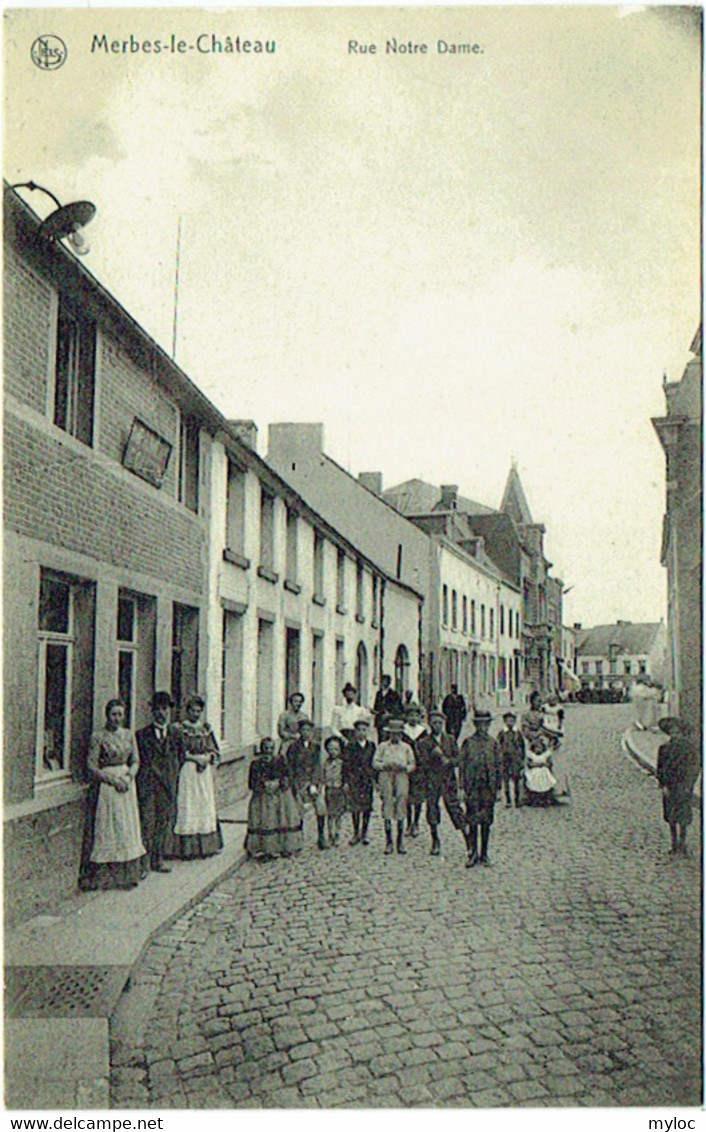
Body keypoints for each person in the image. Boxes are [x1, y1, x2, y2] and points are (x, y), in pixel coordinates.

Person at [79, 698, 148, 891]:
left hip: (126, 784)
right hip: (108, 787)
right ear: (107, 715)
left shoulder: (128, 735)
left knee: (127, 826)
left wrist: (129, 777)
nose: (116, 718)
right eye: (113, 714)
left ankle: (128, 874)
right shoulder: (98, 737)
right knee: (110, 825)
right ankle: (107, 876)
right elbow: (91, 766)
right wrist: (112, 780)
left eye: (120, 714)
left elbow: (136, 760)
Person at [171, 695, 223, 859]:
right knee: (188, 802)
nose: (195, 714)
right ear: (186, 711)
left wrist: (207, 758)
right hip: (188, 770)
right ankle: (187, 847)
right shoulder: (179, 729)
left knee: (204, 802)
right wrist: (195, 758)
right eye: (192, 711)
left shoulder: (206, 728)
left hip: (203, 772)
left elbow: (214, 749)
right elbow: (177, 752)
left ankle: (206, 846)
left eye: (198, 711)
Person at [136, 691, 181, 873]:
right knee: (147, 823)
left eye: (164, 709)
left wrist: (172, 778)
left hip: (167, 786)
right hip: (149, 785)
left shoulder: (176, 733)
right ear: (152, 711)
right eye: (158, 709)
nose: (161, 713)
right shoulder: (142, 735)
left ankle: (158, 860)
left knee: (163, 822)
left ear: (169, 711)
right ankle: (144, 863)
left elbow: (181, 757)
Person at [415, 709, 472, 856]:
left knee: (455, 809)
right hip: (432, 781)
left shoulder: (450, 740)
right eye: (434, 723)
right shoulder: (424, 743)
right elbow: (421, 763)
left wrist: (447, 760)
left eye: (440, 723)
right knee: (432, 811)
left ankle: (468, 840)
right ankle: (435, 841)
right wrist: (432, 757)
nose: (437, 726)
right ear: (429, 724)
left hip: (448, 780)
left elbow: (458, 759)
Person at [245, 737, 302, 859]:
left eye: (271, 748)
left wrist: (280, 782)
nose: (268, 751)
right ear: (261, 749)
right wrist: (263, 785)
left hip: (280, 795)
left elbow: (287, 775)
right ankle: (266, 849)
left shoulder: (280, 760)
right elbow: (251, 783)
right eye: (266, 748)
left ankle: (283, 847)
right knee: (266, 820)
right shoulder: (256, 764)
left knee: (282, 819)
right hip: (263, 797)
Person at [459, 710, 502, 867]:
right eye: (480, 724)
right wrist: (461, 788)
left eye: (485, 724)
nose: (483, 727)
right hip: (473, 787)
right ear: (475, 725)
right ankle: (473, 853)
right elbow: (462, 766)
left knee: (486, 821)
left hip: (487, 788)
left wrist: (498, 789)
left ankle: (484, 854)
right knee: (472, 821)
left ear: (489, 725)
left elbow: (498, 767)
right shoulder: (468, 743)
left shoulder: (493, 743)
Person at [656, 718, 700, 857]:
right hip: (670, 786)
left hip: (684, 786)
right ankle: (674, 843)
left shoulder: (689, 749)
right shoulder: (664, 748)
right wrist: (662, 785)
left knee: (684, 815)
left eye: (677, 732)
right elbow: (660, 768)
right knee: (671, 815)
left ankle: (683, 843)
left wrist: (689, 784)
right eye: (672, 732)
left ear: (682, 733)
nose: (675, 735)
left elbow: (694, 768)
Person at [372, 718, 415, 854]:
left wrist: (404, 767)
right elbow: (375, 762)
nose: (395, 736)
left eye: (398, 734)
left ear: (401, 734)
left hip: (401, 775)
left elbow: (412, 764)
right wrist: (384, 765)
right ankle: (388, 841)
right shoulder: (383, 746)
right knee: (387, 804)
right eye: (392, 734)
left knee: (401, 802)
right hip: (386, 775)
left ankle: (400, 841)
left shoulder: (406, 747)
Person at [287, 718, 328, 850]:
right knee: (299, 812)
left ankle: (321, 837)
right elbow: (291, 767)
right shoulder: (293, 747)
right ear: (299, 731)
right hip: (299, 782)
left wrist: (314, 783)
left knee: (320, 808)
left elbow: (317, 765)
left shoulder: (316, 747)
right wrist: (295, 784)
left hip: (312, 782)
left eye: (309, 730)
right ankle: (298, 839)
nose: (306, 733)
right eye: (304, 730)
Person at [343, 718, 377, 845]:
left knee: (367, 806)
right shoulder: (350, 746)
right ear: (355, 732)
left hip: (367, 779)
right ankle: (356, 832)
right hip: (355, 779)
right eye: (359, 730)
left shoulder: (371, 746)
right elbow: (346, 764)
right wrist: (346, 781)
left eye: (364, 730)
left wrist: (375, 780)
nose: (361, 733)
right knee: (355, 806)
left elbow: (374, 763)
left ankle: (365, 833)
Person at [403, 703, 428, 837]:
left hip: (419, 767)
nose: (413, 718)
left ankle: (416, 823)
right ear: (406, 717)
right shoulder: (403, 731)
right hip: (406, 767)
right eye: (410, 715)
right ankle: (408, 823)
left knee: (418, 797)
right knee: (407, 796)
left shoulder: (422, 731)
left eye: (416, 715)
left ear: (419, 717)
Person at [497, 711, 526, 808]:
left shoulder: (517, 733)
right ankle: (508, 799)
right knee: (505, 780)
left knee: (517, 780)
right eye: (508, 721)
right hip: (505, 759)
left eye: (512, 721)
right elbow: (497, 746)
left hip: (515, 759)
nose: (510, 723)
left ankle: (517, 799)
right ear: (504, 721)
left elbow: (522, 746)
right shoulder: (502, 733)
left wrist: (522, 759)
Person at [322, 735, 347, 846]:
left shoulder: (342, 763)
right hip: (329, 789)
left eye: (336, 749)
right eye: (330, 749)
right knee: (330, 813)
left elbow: (345, 776)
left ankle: (337, 833)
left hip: (339, 789)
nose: (333, 751)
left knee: (338, 814)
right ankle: (330, 833)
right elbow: (322, 776)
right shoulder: (325, 763)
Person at [372, 675, 403, 742]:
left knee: (388, 737)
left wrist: (391, 714)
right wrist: (375, 712)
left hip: (389, 720)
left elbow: (399, 708)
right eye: (383, 681)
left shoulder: (394, 694)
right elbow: (376, 706)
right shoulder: (379, 693)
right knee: (380, 738)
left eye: (386, 681)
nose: (384, 683)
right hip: (380, 720)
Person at [277, 692, 307, 757]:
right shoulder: (284, 715)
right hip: (288, 743)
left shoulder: (304, 716)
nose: (298, 704)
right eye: (295, 701)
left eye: (300, 702)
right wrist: (293, 736)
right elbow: (281, 732)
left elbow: (307, 730)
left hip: (300, 744)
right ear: (291, 702)